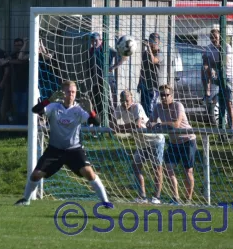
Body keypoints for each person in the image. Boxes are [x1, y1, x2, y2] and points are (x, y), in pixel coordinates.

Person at [14, 80, 113, 208]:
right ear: (63, 93)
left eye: (73, 92)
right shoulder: (54, 107)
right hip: (55, 150)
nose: (71, 94)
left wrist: (91, 110)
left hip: (74, 150)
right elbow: (35, 110)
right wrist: (48, 100)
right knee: (36, 174)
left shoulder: (78, 109)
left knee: (88, 172)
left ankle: (105, 202)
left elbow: (97, 122)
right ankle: (25, 199)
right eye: (68, 92)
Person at [148, 84, 196, 204]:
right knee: (168, 169)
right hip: (174, 142)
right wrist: (149, 123)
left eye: (166, 95)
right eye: (161, 95)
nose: (164, 97)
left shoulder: (178, 105)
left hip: (187, 140)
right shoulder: (158, 107)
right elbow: (151, 121)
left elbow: (176, 124)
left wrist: (159, 125)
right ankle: (175, 198)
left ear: (172, 95)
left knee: (188, 171)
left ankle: (188, 199)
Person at [114, 90, 164, 204]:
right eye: (122, 101)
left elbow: (136, 125)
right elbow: (112, 124)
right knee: (136, 167)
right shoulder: (119, 108)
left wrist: (120, 128)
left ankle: (157, 197)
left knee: (156, 169)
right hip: (141, 143)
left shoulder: (137, 107)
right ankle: (142, 196)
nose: (124, 103)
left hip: (154, 140)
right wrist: (126, 127)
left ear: (132, 99)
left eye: (127, 101)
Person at [87, 32, 126, 126]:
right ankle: (96, 126)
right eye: (92, 41)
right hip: (96, 81)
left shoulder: (107, 49)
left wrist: (112, 68)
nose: (94, 43)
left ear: (101, 40)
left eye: (96, 41)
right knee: (96, 103)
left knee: (109, 104)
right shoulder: (91, 51)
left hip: (108, 80)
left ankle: (114, 126)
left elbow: (123, 58)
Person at [202, 29, 233, 130]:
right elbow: (206, 61)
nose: (213, 40)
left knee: (229, 104)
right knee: (203, 67)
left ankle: (232, 128)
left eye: (215, 37)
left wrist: (211, 64)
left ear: (220, 37)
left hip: (228, 77)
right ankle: (207, 91)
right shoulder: (209, 48)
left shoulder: (227, 47)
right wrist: (207, 65)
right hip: (217, 77)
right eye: (211, 37)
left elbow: (224, 62)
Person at [0, 37, 29, 125]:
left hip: (25, 84)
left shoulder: (27, 54)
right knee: (15, 108)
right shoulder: (12, 55)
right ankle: (16, 128)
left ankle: (23, 128)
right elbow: (5, 62)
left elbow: (20, 61)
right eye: (16, 45)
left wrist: (8, 61)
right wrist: (4, 60)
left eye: (20, 45)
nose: (18, 47)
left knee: (23, 109)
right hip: (14, 85)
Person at [138, 33, 162, 118]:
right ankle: (146, 128)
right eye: (151, 41)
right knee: (144, 109)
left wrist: (148, 47)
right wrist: (139, 83)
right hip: (144, 86)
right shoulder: (145, 53)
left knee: (151, 109)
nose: (152, 44)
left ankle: (152, 127)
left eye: (154, 42)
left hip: (154, 87)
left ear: (159, 42)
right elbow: (143, 69)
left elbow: (153, 61)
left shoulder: (159, 54)